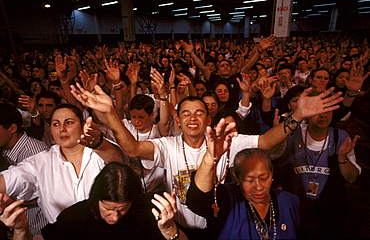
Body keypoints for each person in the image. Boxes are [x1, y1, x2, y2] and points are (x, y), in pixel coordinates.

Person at [70, 82, 342, 239]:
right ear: (177, 119)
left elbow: (267, 142)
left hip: (220, 226)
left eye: (199, 113)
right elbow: (131, 149)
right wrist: (110, 114)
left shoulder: (227, 141)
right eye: (186, 113)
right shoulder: (168, 145)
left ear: (207, 119)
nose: (192, 118)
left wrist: (297, 116)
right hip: (180, 227)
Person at [0, 103, 124, 226]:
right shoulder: (41, 162)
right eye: (56, 124)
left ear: (82, 125)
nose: (62, 129)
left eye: (69, 122)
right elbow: (8, 180)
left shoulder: (100, 151)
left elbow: (117, 161)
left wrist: (98, 143)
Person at [0, 163, 187, 240]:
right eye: (108, 208)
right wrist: (20, 229)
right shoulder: (76, 216)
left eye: (122, 209)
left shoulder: (148, 212)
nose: (114, 217)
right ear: (96, 198)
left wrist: (170, 229)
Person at [186, 126, 300, 239]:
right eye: (249, 180)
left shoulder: (289, 202)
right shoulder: (228, 198)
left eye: (264, 178)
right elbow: (198, 200)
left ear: (272, 174)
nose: (259, 187)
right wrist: (210, 158)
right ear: (237, 178)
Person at [275, 108, 361, 239]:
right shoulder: (292, 134)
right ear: (307, 114)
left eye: (328, 111)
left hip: (328, 213)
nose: (323, 116)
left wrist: (342, 158)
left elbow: (351, 177)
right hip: (294, 210)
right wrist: (278, 139)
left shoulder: (341, 137)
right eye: (317, 111)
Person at [0, 103, 49, 238]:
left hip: (40, 229)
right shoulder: (7, 149)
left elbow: (47, 195)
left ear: (12, 128)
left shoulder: (35, 152)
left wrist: (11, 202)